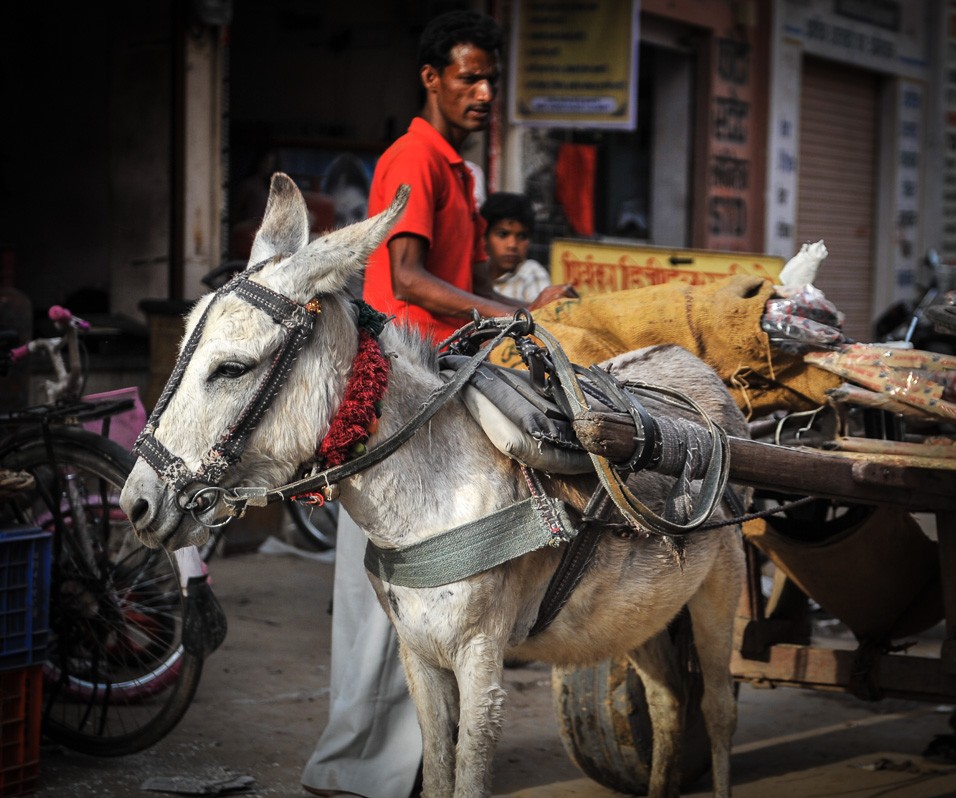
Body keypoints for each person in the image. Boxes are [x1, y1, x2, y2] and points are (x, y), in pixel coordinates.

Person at [302, 11, 572, 798]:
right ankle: (359, 768)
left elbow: (455, 287)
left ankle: (414, 763)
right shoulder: (413, 158)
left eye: (492, 78)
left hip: (439, 381)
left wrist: (526, 304)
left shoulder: (458, 171)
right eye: (469, 78)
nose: (486, 92)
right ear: (432, 79)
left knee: (437, 582)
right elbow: (412, 279)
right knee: (383, 589)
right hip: (399, 391)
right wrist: (506, 314)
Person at [479, 191, 554, 303]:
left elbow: (540, 316)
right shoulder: (475, 273)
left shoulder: (531, 273)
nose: (512, 245)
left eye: (522, 236)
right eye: (502, 234)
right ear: (484, 237)